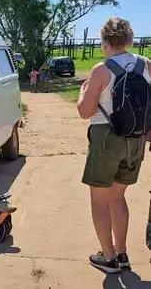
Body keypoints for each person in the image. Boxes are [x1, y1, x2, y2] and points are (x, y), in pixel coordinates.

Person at [77, 16, 151, 274]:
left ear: (105, 42)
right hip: (136, 141)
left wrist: (82, 92)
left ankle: (107, 258)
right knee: (118, 198)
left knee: (99, 201)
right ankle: (121, 253)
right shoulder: (146, 66)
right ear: (130, 40)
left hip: (106, 138)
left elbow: (85, 112)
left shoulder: (101, 70)